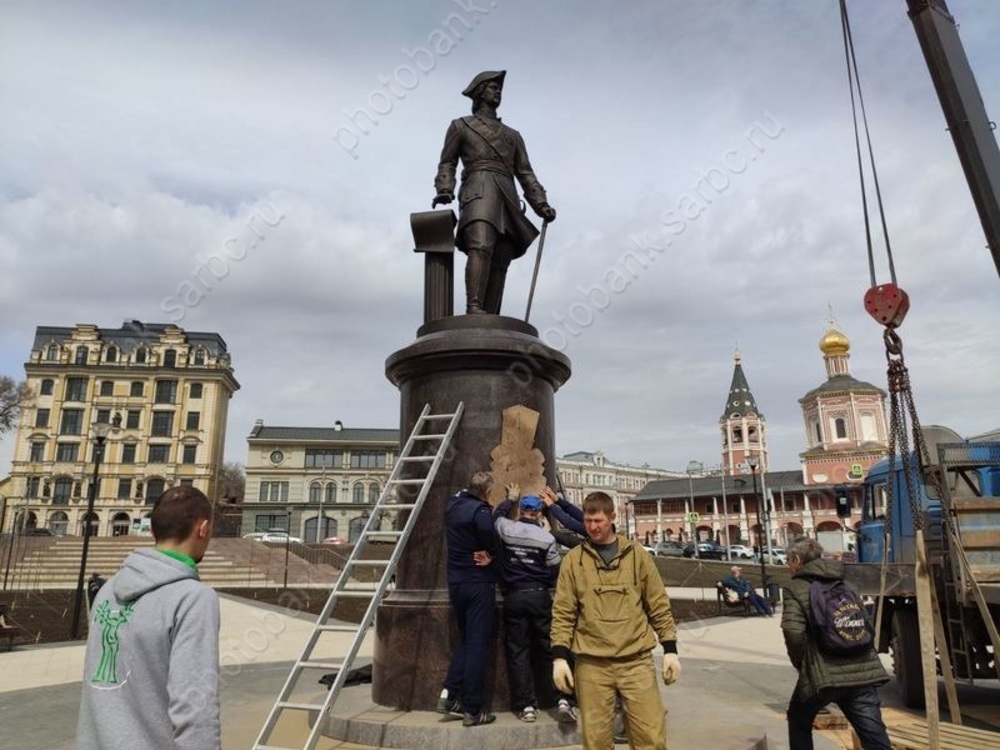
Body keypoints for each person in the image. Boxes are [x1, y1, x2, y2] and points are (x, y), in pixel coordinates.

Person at [76, 485, 220, 750]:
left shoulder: (108, 590)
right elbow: (194, 705)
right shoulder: (192, 598)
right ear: (203, 529)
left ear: (153, 530)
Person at [550, 491, 680, 750]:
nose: (592, 527)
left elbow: (657, 604)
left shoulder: (637, 555)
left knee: (651, 738)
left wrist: (670, 649)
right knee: (596, 741)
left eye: (598, 520)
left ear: (612, 517)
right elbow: (563, 612)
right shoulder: (574, 561)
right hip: (591, 664)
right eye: (587, 521)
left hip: (636, 662)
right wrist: (559, 656)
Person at [433, 70, 557, 315]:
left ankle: (491, 315)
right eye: (492, 87)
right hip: (478, 190)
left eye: (499, 88)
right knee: (480, 244)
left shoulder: (513, 136)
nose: (497, 92)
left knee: (501, 257)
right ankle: (474, 307)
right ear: (479, 92)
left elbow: (525, 173)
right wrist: (445, 188)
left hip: (507, 195)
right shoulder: (461, 126)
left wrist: (540, 203)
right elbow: (447, 162)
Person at [781, 537, 891, 750]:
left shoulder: (795, 587)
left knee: (799, 719)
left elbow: (792, 631)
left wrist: (803, 664)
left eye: (788, 560)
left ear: (796, 559)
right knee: (874, 736)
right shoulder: (845, 583)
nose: (787, 565)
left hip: (824, 677)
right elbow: (866, 625)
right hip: (861, 671)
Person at [493, 485, 571, 723]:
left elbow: (496, 516)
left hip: (514, 597)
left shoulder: (507, 528)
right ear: (538, 513)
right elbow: (554, 568)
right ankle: (562, 698)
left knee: (518, 652)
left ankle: (526, 705)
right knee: (549, 648)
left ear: (521, 512)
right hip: (539, 596)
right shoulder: (546, 538)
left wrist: (510, 499)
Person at [437, 470, 499, 727]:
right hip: (477, 581)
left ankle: (449, 694)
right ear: (486, 492)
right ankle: (473, 709)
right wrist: (494, 556)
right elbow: (491, 539)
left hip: (456, 582)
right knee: (477, 644)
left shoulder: (453, 504)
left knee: (465, 639)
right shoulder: (480, 512)